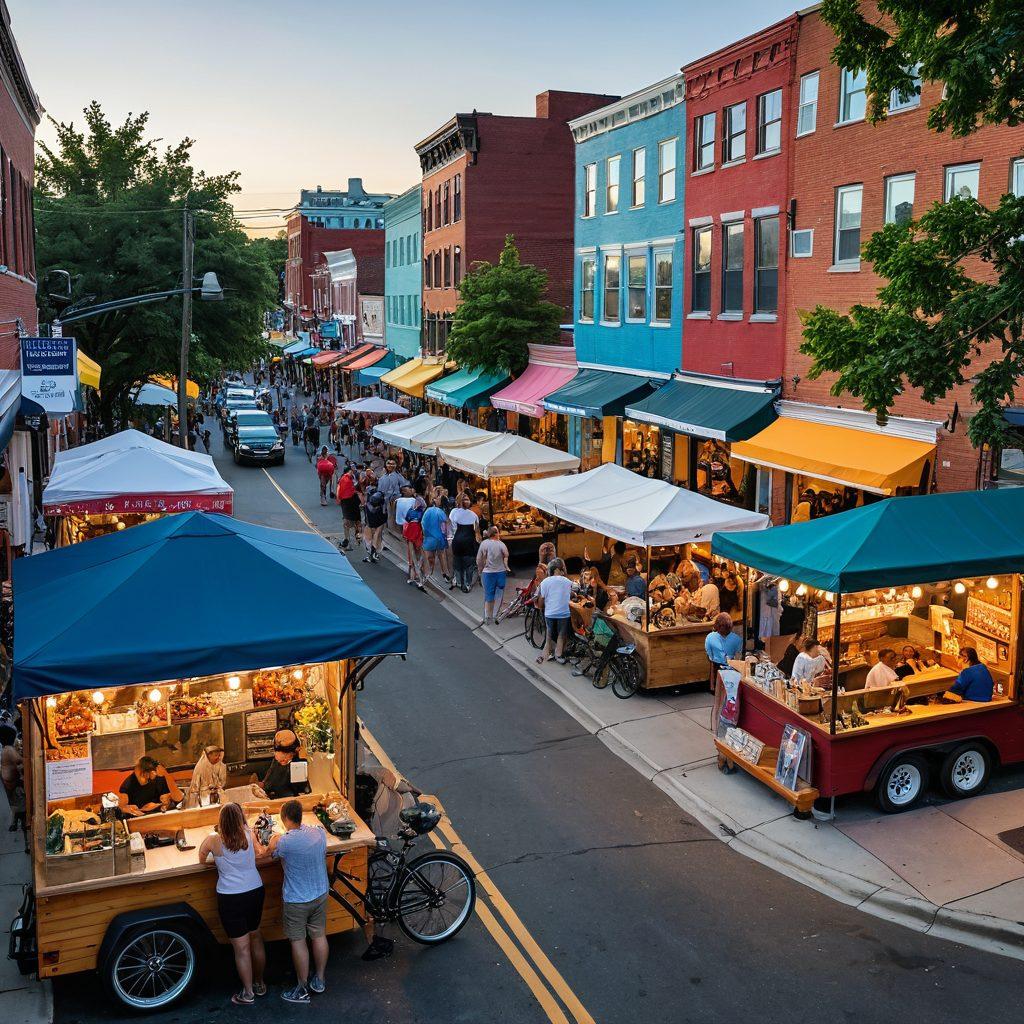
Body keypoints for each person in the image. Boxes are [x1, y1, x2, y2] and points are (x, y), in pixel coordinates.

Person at [198, 803, 267, 1005]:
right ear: (240, 819)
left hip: (230, 897)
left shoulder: (213, 840)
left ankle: (247, 993)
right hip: (255, 890)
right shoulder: (249, 833)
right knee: (256, 938)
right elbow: (260, 852)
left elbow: (202, 859)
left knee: (241, 949)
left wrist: (218, 861)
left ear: (220, 821)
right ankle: (260, 983)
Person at [268, 800, 329, 1003]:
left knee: (298, 941)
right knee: (319, 936)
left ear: (285, 818)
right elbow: (318, 830)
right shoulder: (318, 833)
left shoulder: (285, 842)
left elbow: (271, 852)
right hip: (320, 893)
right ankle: (319, 980)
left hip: (297, 900)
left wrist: (273, 836)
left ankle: (302, 988)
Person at [536, 558, 573, 665]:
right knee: (561, 634)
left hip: (550, 613)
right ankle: (558, 655)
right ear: (558, 569)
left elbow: (541, 599)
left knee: (549, 633)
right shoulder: (567, 581)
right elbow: (571, 594)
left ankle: (546, 654)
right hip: (564, 613)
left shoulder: (545, 582)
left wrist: (540, 608)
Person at [118, 756, 183, 816]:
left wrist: (165, 774)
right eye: (140, 773)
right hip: (142, 819)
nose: (144, 778)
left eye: (147, 774)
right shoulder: (128, 784)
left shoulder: (159, 778)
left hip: (163, 816)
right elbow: (122, 807)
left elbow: (179, 798)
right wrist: (128, 809)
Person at [259, 730, 309, 799]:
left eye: (284, 760)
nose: (282, 762)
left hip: (289, 797)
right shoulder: (277, 760)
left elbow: (300, 791)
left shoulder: (298, 763)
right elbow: (268, 782)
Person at [476, 526, 511, 624]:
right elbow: (506, 555)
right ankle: (496, 614)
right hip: (500, 572)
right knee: (499, 594)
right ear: (495, 534)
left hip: (488, 573)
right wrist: (506, 566)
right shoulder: (501, 545)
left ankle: (488, 617)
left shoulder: (484, 544)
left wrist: (480, 569)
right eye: (498, 532)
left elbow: (479, 559)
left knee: (489, 595)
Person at [449, 493, 481, 593]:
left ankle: (459, 582)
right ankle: (467, 584)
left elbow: (452, 527)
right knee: (469, 564)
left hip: (457, 541)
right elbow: (477, 531)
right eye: (466, 499)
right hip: (469, 542)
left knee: (458, 563)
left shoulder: (454, 512)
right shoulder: (474, 515)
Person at [395, 485, 426, 588]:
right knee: (412, 554)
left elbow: (408, 519)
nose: (415, 503)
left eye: (417, 502)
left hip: (415, 532)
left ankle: (416, 575)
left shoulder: (418, 511)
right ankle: (414, 576)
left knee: (417, 554)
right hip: (412, 532)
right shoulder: (418, 511)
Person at [705, 613, 742, 687]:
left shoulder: (710, 637)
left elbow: (708, 652)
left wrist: (713, 658)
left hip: (717, 665)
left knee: (718, 687)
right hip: (732, 666)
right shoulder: (737, 639)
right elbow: (739, 654)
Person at [420, 494, 450, 584]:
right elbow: (446, 522)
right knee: (442, 555)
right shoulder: (439, 511)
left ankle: (426, 573)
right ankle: (445, 573)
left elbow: (422, 524)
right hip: (439, 538)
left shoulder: (427, 511)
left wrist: (425, 534)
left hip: (429, 538)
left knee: (428, 557)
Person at [336, 464, 361, 551]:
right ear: (349, 470)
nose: (354, 469)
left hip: (349, 503)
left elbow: (340, 491)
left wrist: (339, 499)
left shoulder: (349, 478)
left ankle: (349, 541)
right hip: (349, 503)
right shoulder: (347, 478)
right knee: (350, 523)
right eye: (352, 468)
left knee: (347, 523)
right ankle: (349, 541)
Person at [378, 458, 409, 530]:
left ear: (396, 465)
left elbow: (404, 486)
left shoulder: (399, 476)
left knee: (395, 518)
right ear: (386, 465)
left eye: (393, 464)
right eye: (389, 463)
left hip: (396, 500)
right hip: (385, 501)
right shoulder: (382, 478)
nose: (390, 465)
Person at [362, 484, 388, 564]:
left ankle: (371, 554)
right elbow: (385, 514)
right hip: (379, 520)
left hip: (371, 522)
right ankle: (374, 553)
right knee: (377, 535)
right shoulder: (382, 504)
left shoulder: (368, 505)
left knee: (368, 538)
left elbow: (367, 517)